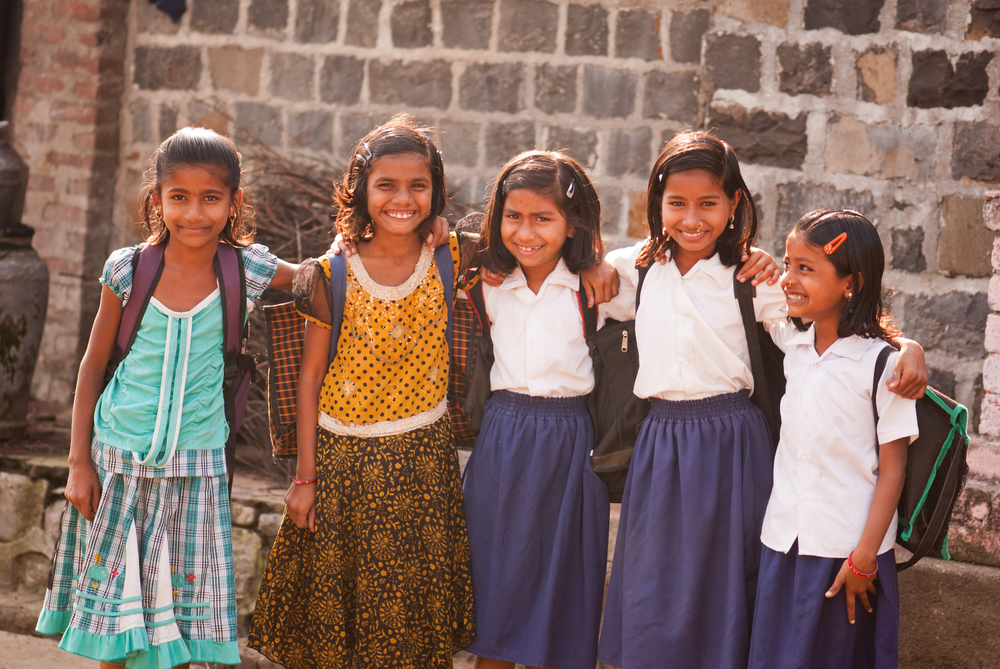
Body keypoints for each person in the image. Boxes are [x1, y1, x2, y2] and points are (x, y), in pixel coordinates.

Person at [597, 132, 927, 669]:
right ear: (655, 202)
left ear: (734, 205)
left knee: (727, 587)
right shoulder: (632, 271)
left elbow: (839, 320)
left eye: (709, 203)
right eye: (676, 203)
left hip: (732, 444)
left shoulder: (754, 278)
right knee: (652, 582)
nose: (692, 219)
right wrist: (589, 267)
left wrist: (908, 346)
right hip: (660, 445)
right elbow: (575, 283)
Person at [35, 126, 296, 669]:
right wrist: (78, 462)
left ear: (234, 202)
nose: (194, 213)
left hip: (195, 472)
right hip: (117, 466)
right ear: (157, 200)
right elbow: (91, 367)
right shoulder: (128, 270)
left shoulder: (246, 270)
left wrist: (411, 237)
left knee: (176, 635)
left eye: (211, 198)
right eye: (179, 197)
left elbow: (322, 280)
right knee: (115, 629)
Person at [246, 113, 475, 669]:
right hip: (342, 462)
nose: (403, 198)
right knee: (336, 624)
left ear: (436, 193)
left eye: (418, 186)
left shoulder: (453, 257)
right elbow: (309, 377)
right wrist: (304, 478)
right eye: (386, 185)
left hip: (423, 462)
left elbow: (531, 235)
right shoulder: (332, 272)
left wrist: (593, 264)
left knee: (410, 621)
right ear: (360, 192)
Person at [748, 209, 917, 669]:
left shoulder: (885, 368)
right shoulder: (793, 345)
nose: (788, 279)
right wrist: (765, 262)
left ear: (851, 282)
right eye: (787, 264)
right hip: (784, 543)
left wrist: (864, 558)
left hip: (847, 557)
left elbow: (893, 469)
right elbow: (745, 273)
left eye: (805, 268)